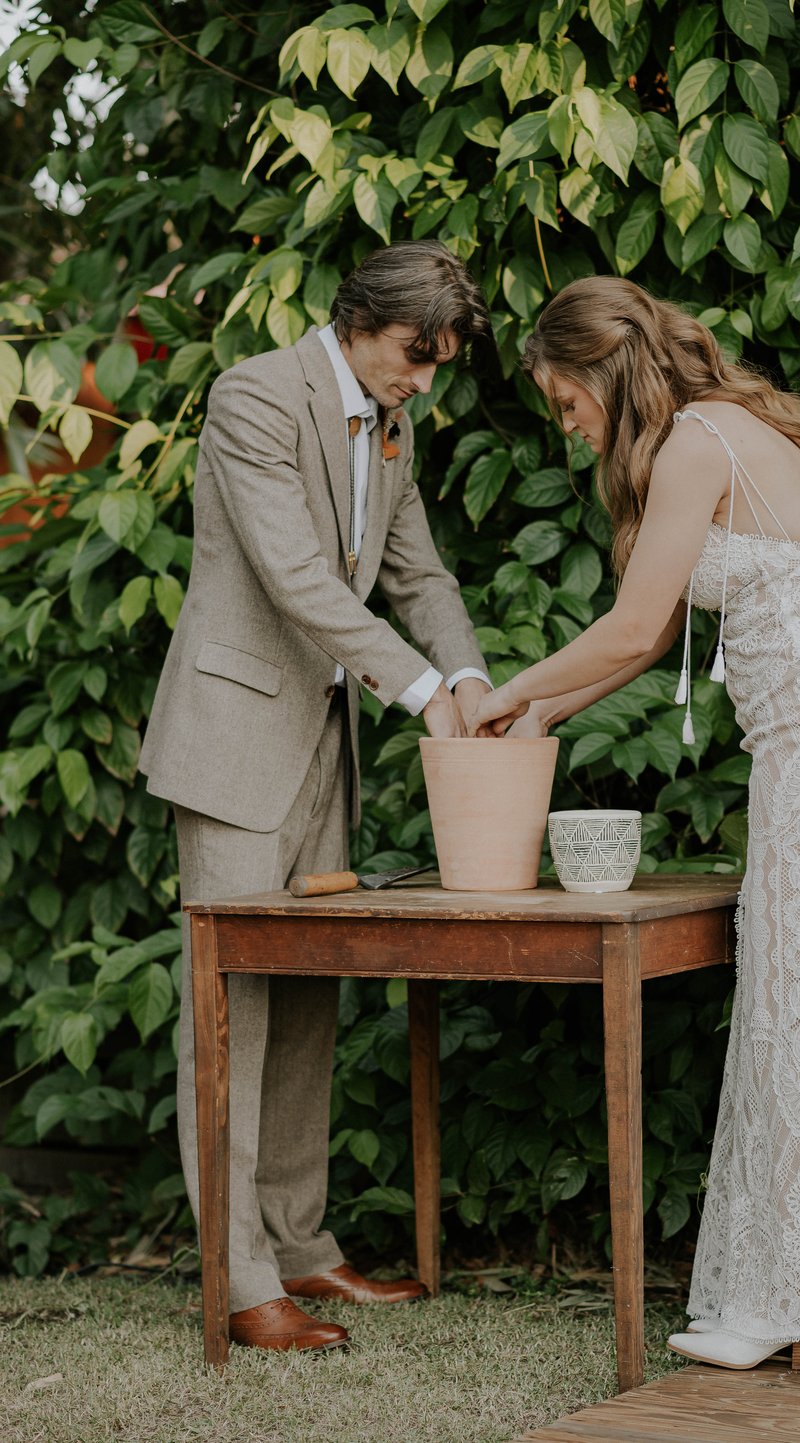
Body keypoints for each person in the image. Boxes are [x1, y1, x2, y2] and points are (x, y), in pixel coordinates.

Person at [472, 275, 800, 1439]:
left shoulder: (697, 444)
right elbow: (650, 630)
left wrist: (507, 691)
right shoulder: (720, 433)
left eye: (564, 400)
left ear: (602, 369)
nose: (565, 425)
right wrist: (549, 716)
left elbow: (623, 626)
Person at [140, 241, 494, 1351]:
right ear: (357, 322)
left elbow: (419, 572)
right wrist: (424, 690)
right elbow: (294, 577)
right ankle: (239, 1281)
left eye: (438, 365)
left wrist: (472, 679)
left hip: (322, 750)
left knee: (304, 1008)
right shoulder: (255, 395)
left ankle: (300, 1246)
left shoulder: (388, 423)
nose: (424, 381)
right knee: (231, 1010)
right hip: (234, 741)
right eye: (412, 356)